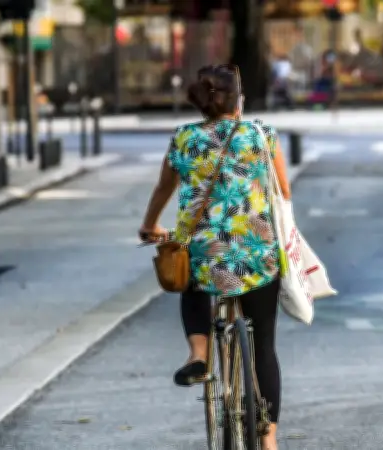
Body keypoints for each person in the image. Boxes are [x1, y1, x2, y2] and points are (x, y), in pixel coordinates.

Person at [138, 64, 291, 450]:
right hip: (257, 256)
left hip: (206, 254)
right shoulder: (261, 134)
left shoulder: (185, 138)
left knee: (190, 272)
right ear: (239, 101)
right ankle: (269, 438)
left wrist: (149, 225)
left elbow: (163, 188)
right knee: (263, 346)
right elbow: (284, 192)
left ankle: (199, 354)